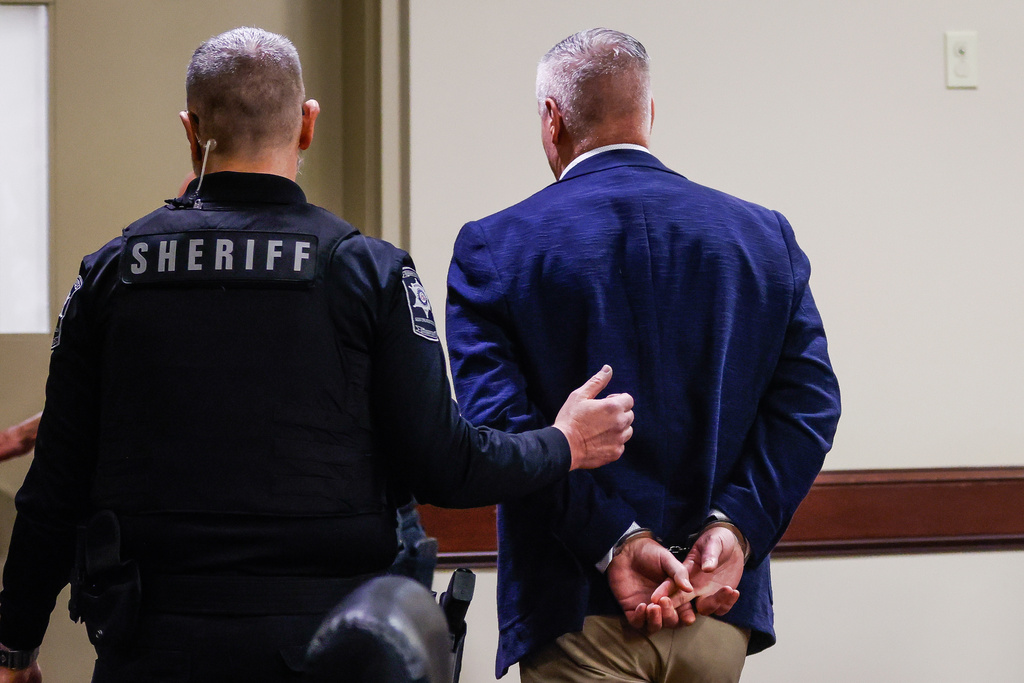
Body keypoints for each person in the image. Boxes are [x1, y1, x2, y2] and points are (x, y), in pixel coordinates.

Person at [0, 27, 636, 683]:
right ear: (308, 125)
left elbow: (53, 490)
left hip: (150, 648)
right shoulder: (369, 273)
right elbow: (446, 466)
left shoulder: (111, 274)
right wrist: (563, 443)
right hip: (329, 651)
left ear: (190, 131)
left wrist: (14, 649)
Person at [446, 28, 841, 682]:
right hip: (712, 608)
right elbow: (810, 407)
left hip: (574, 609)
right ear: (649, 112)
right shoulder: (763, 238)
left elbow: (502, 428)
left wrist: (615, 539)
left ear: (552, 118)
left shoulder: (495, 248)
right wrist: (736, 528)